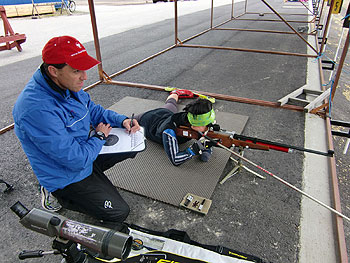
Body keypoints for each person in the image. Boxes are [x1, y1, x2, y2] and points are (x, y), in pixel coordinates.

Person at [12, 36, 140, 230]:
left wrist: (121, 120)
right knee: (119, 212)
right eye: (76, 71)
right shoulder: (35, 109)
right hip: (65, 173)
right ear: (53, 71)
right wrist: (99, 137)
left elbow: (93, 110)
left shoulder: (66, 85)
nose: (85, 76)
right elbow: (74, 159)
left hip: (82, 152)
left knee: (134, 144)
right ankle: (53, 192)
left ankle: (93, 181)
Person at [136, 89, 216, 166]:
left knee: (171, 103)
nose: (208, 127)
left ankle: (175, 93)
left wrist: (207, 148)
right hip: (147, 121)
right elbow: (176, 159)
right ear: (194, 125)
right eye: (206, 125)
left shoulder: (191, 118)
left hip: (165, 113)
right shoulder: (169, 131)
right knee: (127, 123)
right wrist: (194, 149)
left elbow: (207, 140)